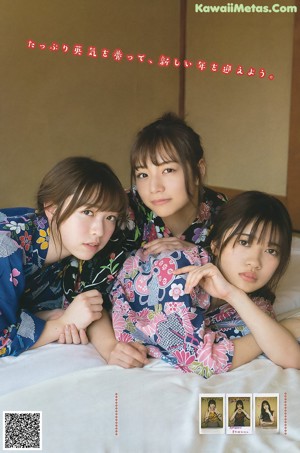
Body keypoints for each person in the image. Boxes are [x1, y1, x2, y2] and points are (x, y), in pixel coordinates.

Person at [110, 191, 300, 376]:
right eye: (244, 242)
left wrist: (233, 295)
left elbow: (292, 358)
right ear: (216, 245)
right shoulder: (176, 269)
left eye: (271, 251)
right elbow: (201, 363)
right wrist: (285, 328)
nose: (255, 262)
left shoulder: (254, 304)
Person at [0, 156, 128, 357]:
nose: (99, 231)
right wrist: (60, 325)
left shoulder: (81, 253)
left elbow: (91, 304)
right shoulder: (6, 249)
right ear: (52, 208)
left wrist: (111, 349)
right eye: (87, 212)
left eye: (109, 217)